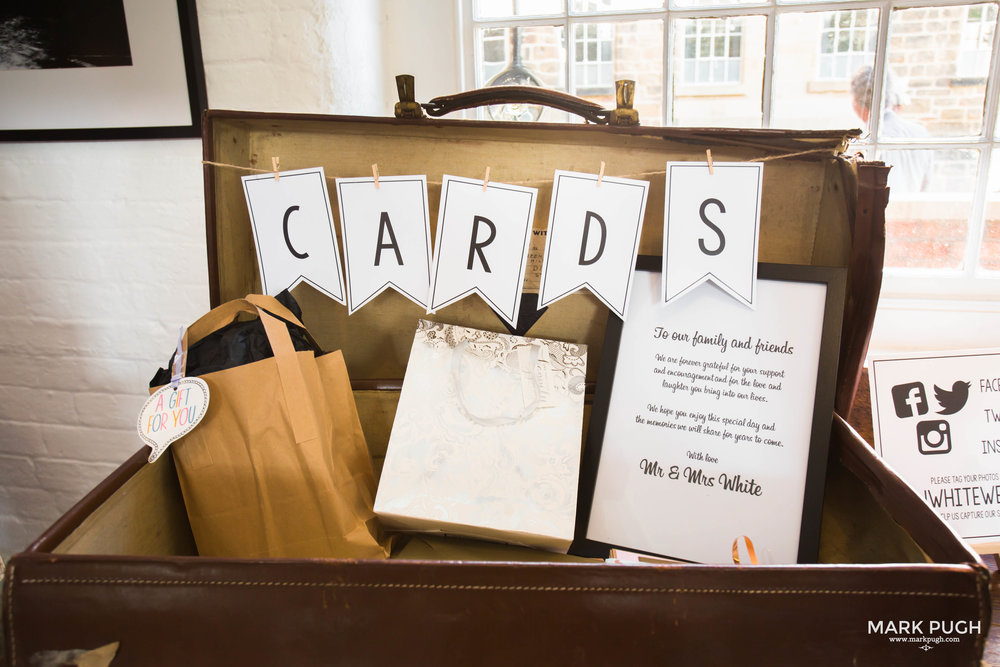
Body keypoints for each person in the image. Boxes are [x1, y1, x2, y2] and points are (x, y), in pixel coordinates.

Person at [851, 65, 933, 193]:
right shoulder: (920, 133)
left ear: (855, 101)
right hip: (912, 210)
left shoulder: (861, 141)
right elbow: (926, 187)